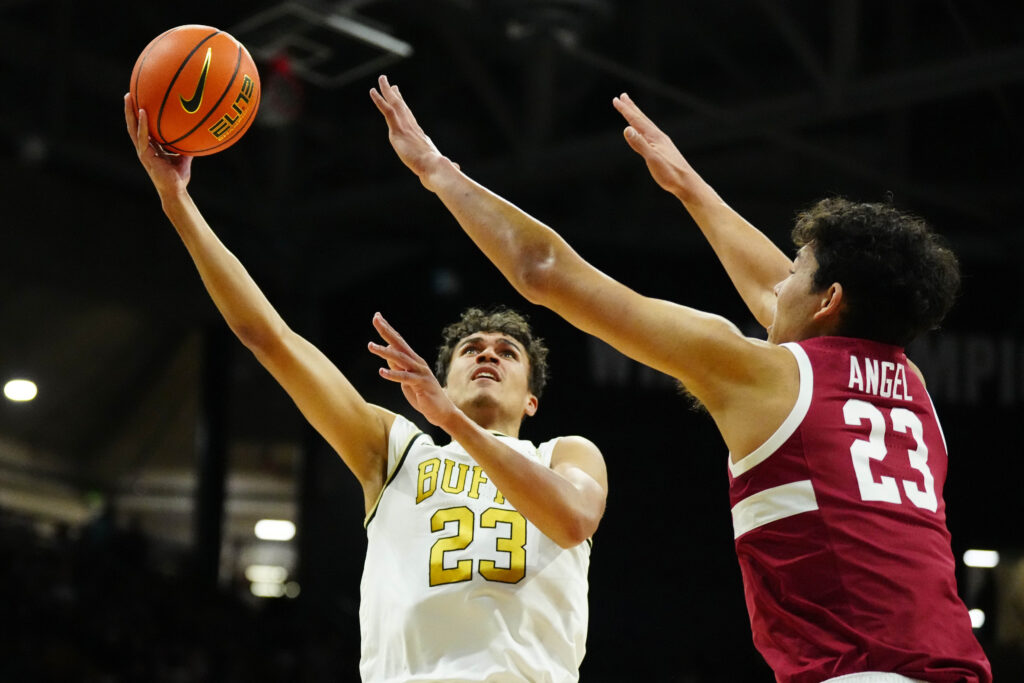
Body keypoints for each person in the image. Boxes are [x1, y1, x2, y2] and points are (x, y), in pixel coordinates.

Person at [370, 75, 992, 683]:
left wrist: (436, 172)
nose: (776, 284)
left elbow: (544, 269)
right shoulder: (910, 387)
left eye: (794, 272)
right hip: (954, 662)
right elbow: (781, 295)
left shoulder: (763, 373)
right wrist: (689, 187)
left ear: (827, 299)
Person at [124, 94, 608, 683]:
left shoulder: (564, 454)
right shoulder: (396, 450)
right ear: (445, 381)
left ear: (532, 400)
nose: (487, 354)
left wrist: (453, 423)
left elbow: (573, 520)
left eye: (507, 353)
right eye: (470, 350)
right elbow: (268, 338)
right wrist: (176, 201)